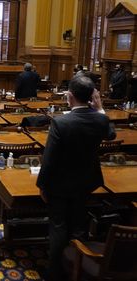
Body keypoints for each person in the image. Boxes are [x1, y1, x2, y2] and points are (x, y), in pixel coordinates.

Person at [36, 76, 116, 281]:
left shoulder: (61, 122)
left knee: (58, 226)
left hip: (60, 185)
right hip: (86, 182)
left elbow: (49, 159)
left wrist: (42, 185)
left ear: (69, 96)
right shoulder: (101, 119)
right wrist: (100, 109)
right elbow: (111, 134)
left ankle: (55, 272)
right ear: (92, 97)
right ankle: (76, 267)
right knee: (79, 224)